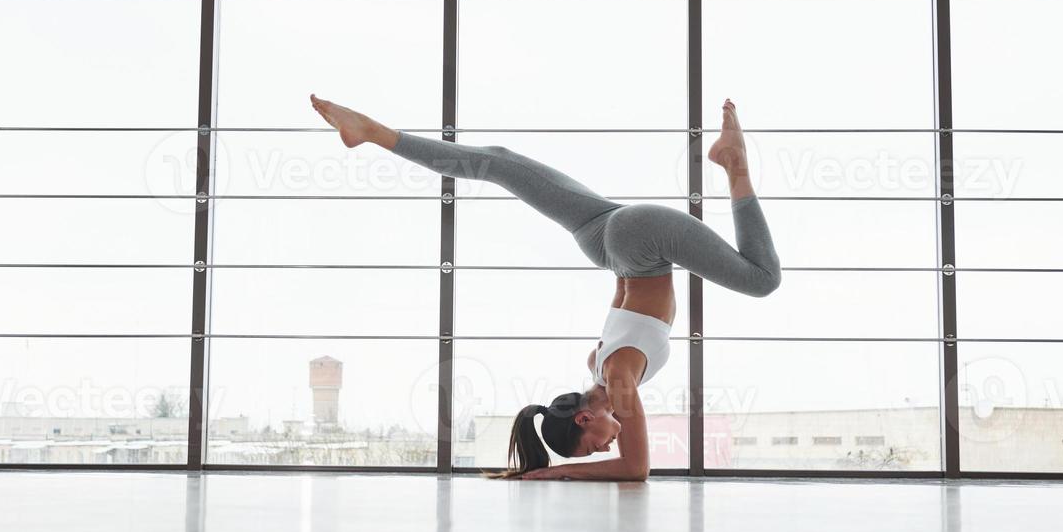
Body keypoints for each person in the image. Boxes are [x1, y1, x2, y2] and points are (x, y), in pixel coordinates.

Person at [310, 94, 781, 481]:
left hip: (640, 242)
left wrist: (554, 474)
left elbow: (636, 470)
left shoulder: (615, 379)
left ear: (584, 418)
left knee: (762, 279)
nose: (606, 449)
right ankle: (374, 132)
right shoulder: (598, 366)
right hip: (603, 240)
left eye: (591, 447)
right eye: (596, 454)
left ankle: (734, 164)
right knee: (503, 165)